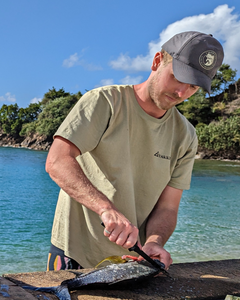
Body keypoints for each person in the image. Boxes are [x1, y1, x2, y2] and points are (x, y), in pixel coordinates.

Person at [45, 31, 224, 271]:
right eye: (177, 78)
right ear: (157, 61)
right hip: (74, 253)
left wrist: (154, 241)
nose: (182, 93)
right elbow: (57, 161)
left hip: (132, 261)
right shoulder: (105, 102)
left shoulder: (186, 135)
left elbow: (168, 208)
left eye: (193, 87)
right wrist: (105, 209)